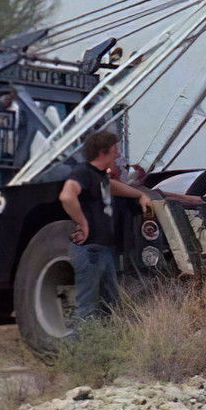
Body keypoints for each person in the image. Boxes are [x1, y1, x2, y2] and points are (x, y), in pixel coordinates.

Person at [56, 130, 153, 323]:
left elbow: (113, 186)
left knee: (110, 304)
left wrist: (139, 195)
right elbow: (67, 196)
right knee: (86, 307)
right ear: (103, 152)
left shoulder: (98, 176)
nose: (118, 154)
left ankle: (103, 346)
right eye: (115, 149)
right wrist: (82, 222)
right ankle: (81, 349)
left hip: (103, 250)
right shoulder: (82, 172)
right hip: (90, 250)